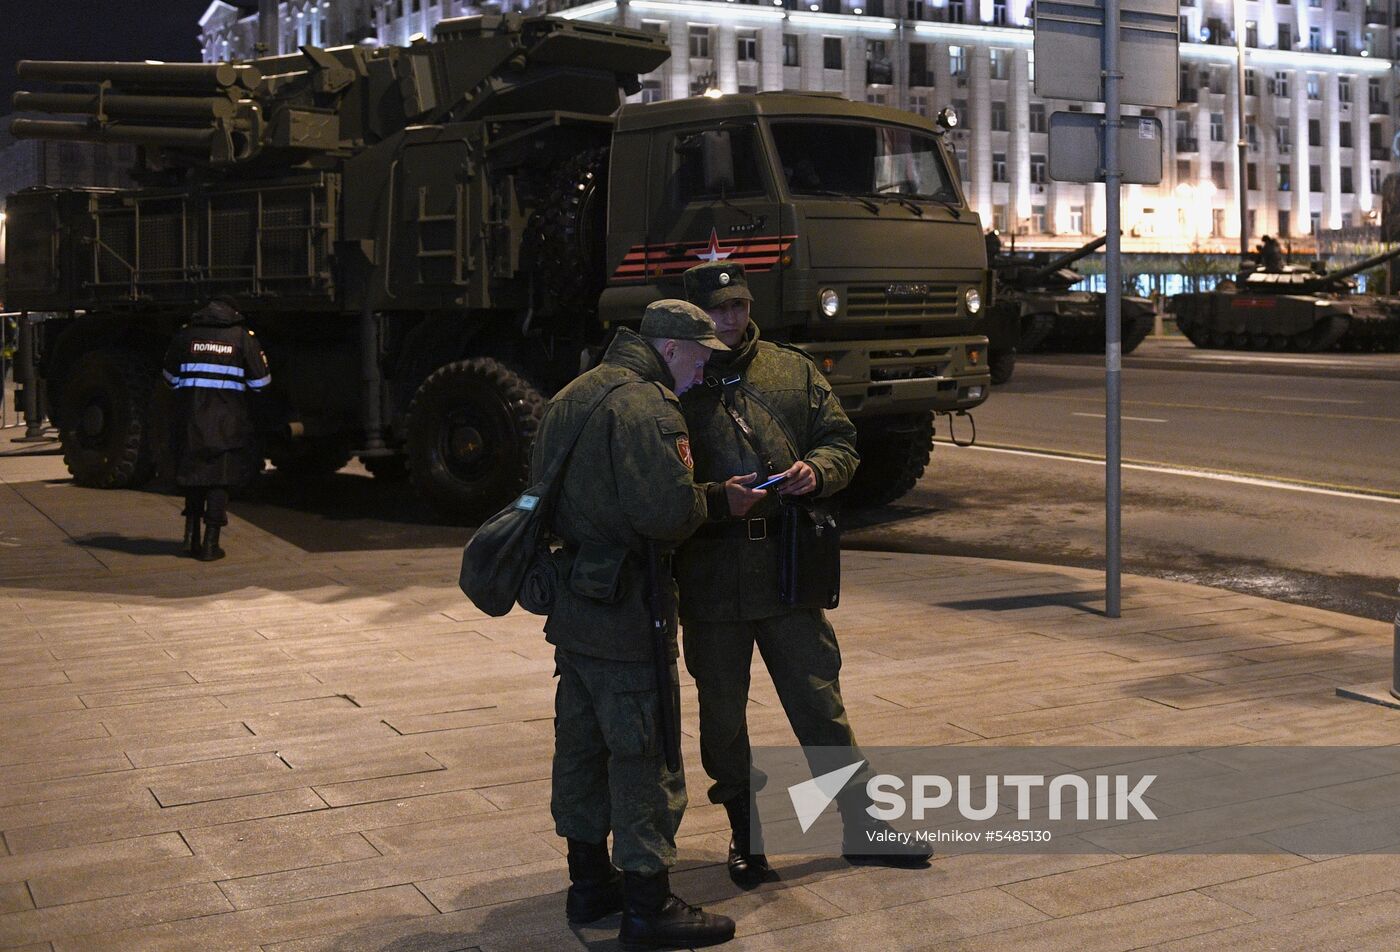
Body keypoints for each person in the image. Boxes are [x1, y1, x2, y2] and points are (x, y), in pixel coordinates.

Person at [677, 261, 933, 888]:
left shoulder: (791, 370)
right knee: (722, 714)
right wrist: (713, 496)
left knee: (819, 701)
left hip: (787, 570)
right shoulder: (675, 379)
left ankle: (863, 824)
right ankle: (746, 833)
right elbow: (658, 478)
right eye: (714, 311)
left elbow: (841, 441)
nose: (728, 320)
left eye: (736, 306)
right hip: (712, 572)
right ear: (692, 316)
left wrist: (818, 471)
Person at [534, 300, 743, 949]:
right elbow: (666, 514)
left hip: (573, 603)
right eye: (701, 357)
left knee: (581, 744)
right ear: (672, 347)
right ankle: (649, 902)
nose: (702, 370)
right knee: (643, 750)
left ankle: (590, 882)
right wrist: (717, 500)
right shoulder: (648, 407)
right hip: (629, 608)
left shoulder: (571, 395)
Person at [161, 298, 270, 561]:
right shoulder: (242, 338)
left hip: (192, 421)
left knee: (194, 478)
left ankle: (190, 539)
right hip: (227, 425)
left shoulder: (186, 336)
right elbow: (261, 382)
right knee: (219, 481)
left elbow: (170, 378)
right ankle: (211, 544)